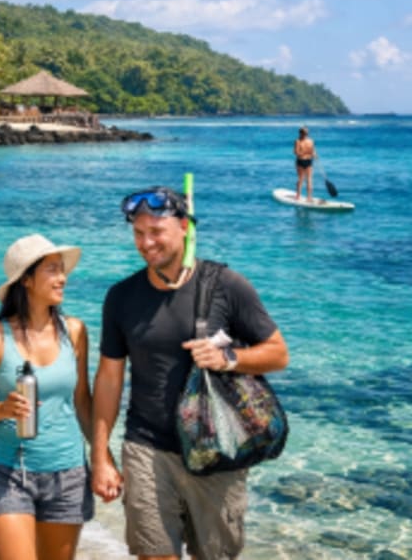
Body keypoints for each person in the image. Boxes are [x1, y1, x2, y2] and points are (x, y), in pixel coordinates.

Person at [92, 187, 289, 560]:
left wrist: (228, 358)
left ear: (184, 227)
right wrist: (100, 456)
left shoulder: (226, 286)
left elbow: (278, 354)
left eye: (156, 231)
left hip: (216, 451)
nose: (146, 243)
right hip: (147, 447)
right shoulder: (121, 297)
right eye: (138, 233)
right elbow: (108, 380)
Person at [0, 234, 94, 560]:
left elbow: (83, 402)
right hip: (5, 470)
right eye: (52, 269)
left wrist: (103, 458)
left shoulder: (75, 331)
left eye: (62, 270)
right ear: (26, 280)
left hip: (68, 472)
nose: (62, 278)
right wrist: (3, 409)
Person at [294, 126, 316, 201]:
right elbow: (312, 151)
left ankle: (298, 196)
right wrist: (312, 154)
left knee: (301, 179)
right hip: (308, 161)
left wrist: (313, 154)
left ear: (300, 133)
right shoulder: (311, 141)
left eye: (306, 133)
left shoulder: (298, 141)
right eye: (306, 133)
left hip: (302, 161)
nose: (306, 134)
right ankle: (309, 197)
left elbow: (296, 152)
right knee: (308, 179)